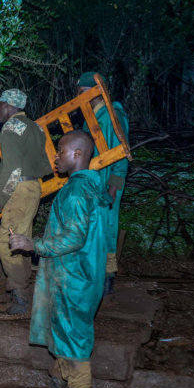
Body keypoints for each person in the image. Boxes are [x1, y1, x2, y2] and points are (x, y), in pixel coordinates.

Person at [10, 130, 111, 388]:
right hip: (84, 274)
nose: (56, 157)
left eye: (61, 151)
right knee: (67, 333)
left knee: (75, 340)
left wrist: (34, 245)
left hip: (73, 277)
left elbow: (74, 237)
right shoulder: (92, 186)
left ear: (78, 154)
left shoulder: (77, 192)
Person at [0, 89, 52, 317]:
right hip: (34, 188)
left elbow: (12, 171)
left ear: (9, 106)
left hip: (19, 189)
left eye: (0, 107)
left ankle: (20, 297)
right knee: (22, 240)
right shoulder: (36, 127)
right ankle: (23, 292)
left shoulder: (11, 128)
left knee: (7, 243)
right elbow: (44, 163)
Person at [76, 72, 129, 295]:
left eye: (81, 92)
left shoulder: (113, 116)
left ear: (95, 91)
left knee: (106, 230)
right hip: (92, 183)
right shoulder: (92, 117)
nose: (77, 97)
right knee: (89, 230)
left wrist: (114, 188)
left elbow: (122, 156)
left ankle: (108, 279)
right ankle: (90, 275)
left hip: (108, 186)